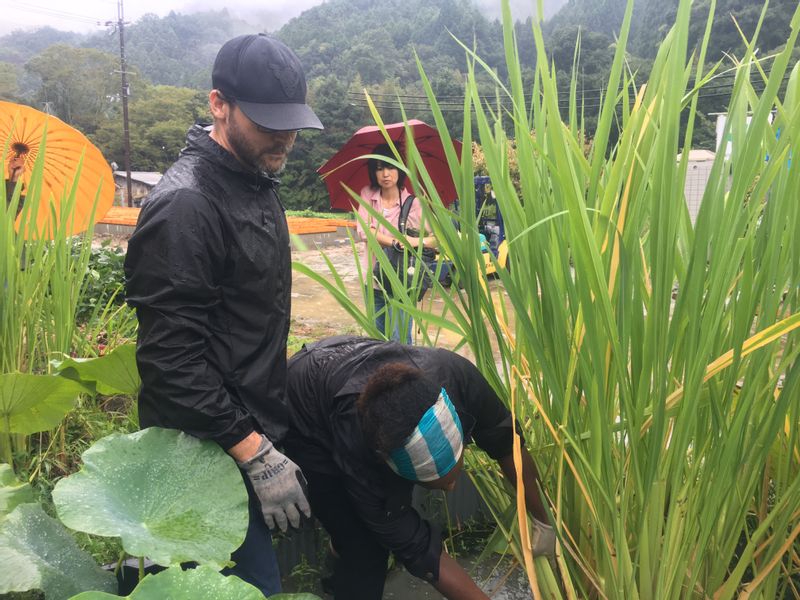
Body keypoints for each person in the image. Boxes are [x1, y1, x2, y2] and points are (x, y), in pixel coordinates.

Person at [124, 33, 323, 596]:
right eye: (267, 121)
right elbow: (170, 359)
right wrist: (255, 452)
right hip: (199, 453)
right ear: (219, 104)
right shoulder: (188, 205)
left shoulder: (256, 179)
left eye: (291, 123)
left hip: (246, 429)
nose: (284, 136)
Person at [284, 335, 555, 600]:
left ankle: (338, 554)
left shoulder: (456, 375)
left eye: (451, 475)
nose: (452, 488)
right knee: (364, 548)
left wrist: (543, 519)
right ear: (389, 466)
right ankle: (342, 565)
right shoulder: (362, 455)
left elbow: (506, 441)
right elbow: (417, 547)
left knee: (364, 531)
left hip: (349, 360)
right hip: (305, 407)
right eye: (439, 483)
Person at [357, 144, 436, 344]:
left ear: (400, 169)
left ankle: (403, 376)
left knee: (399, 339)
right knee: (376, 339)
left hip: (402, 282)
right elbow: (365, 231)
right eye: (379, 167)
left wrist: (412, 241)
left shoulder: (414, 203)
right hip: (373, 279)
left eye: (390, 167)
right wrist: (394, 241)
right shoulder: (367, 194)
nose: (385, 174)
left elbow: (437, 239)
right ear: (373, 171)